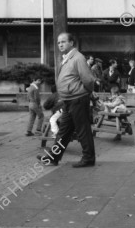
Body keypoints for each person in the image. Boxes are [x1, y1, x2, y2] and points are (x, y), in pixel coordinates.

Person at [36, 32, 96, 167]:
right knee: (64, 131)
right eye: (58, 42)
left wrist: (86, 91)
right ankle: (53, 157)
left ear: (71, 43)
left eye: (63, 42)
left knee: (83, 129)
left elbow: (88, 79)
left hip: (78, 99)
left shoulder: (78, 58)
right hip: (69, 100)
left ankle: (88, 158)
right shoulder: (67, 58)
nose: (60, 44)